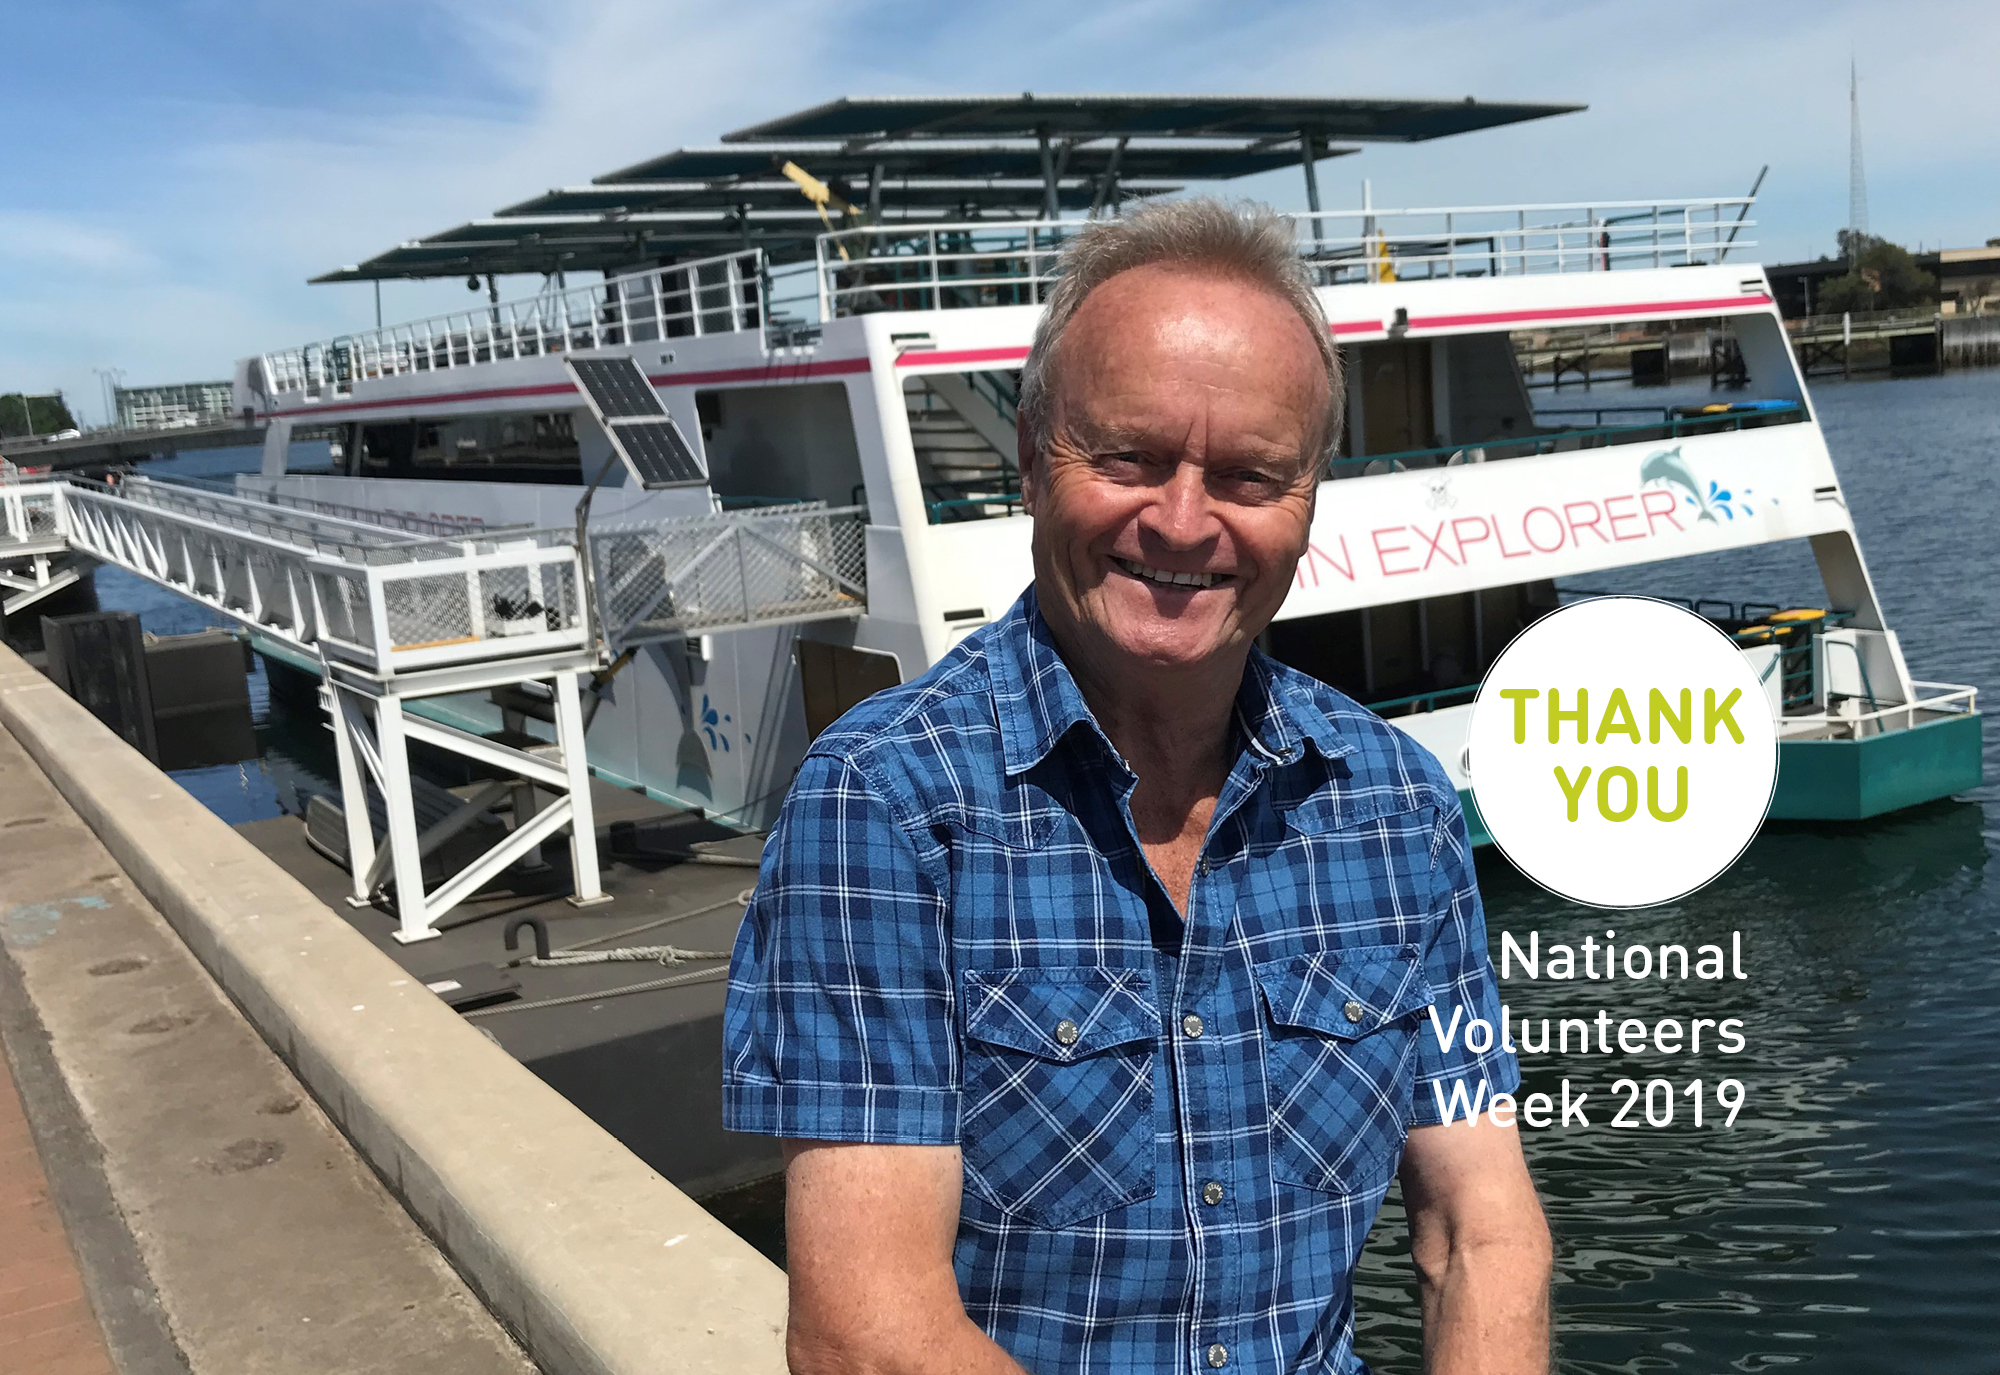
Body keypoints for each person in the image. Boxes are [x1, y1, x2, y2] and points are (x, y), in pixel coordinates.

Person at [724, 198, 1550, 1375]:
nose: (1180, 522)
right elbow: (870, 1338)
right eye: (1128, 457)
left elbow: (1481, 1229)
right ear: (1029, 459)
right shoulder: (884, 803)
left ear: (1308, 500)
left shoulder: (1398, 805)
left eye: (1249, 476)